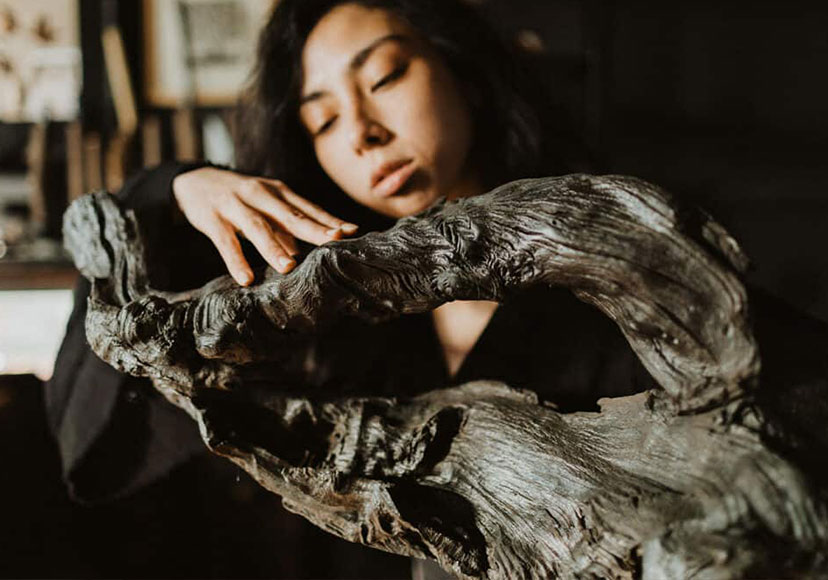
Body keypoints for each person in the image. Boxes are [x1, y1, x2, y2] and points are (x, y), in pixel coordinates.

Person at [47, 0, 658, 576]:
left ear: (464, 72)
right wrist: (175, 192)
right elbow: (106, 414)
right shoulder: (326, 314)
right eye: (325, 119)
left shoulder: (619, 269)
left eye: (386, 77)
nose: (362, 132)